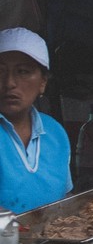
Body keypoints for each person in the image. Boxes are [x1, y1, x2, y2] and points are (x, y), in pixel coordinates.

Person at [0, 28, 72, 213]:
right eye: (0, 71)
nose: (9, 83)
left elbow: (65, 201)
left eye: (23, 71)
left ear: (43, 82)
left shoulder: (55, 132)